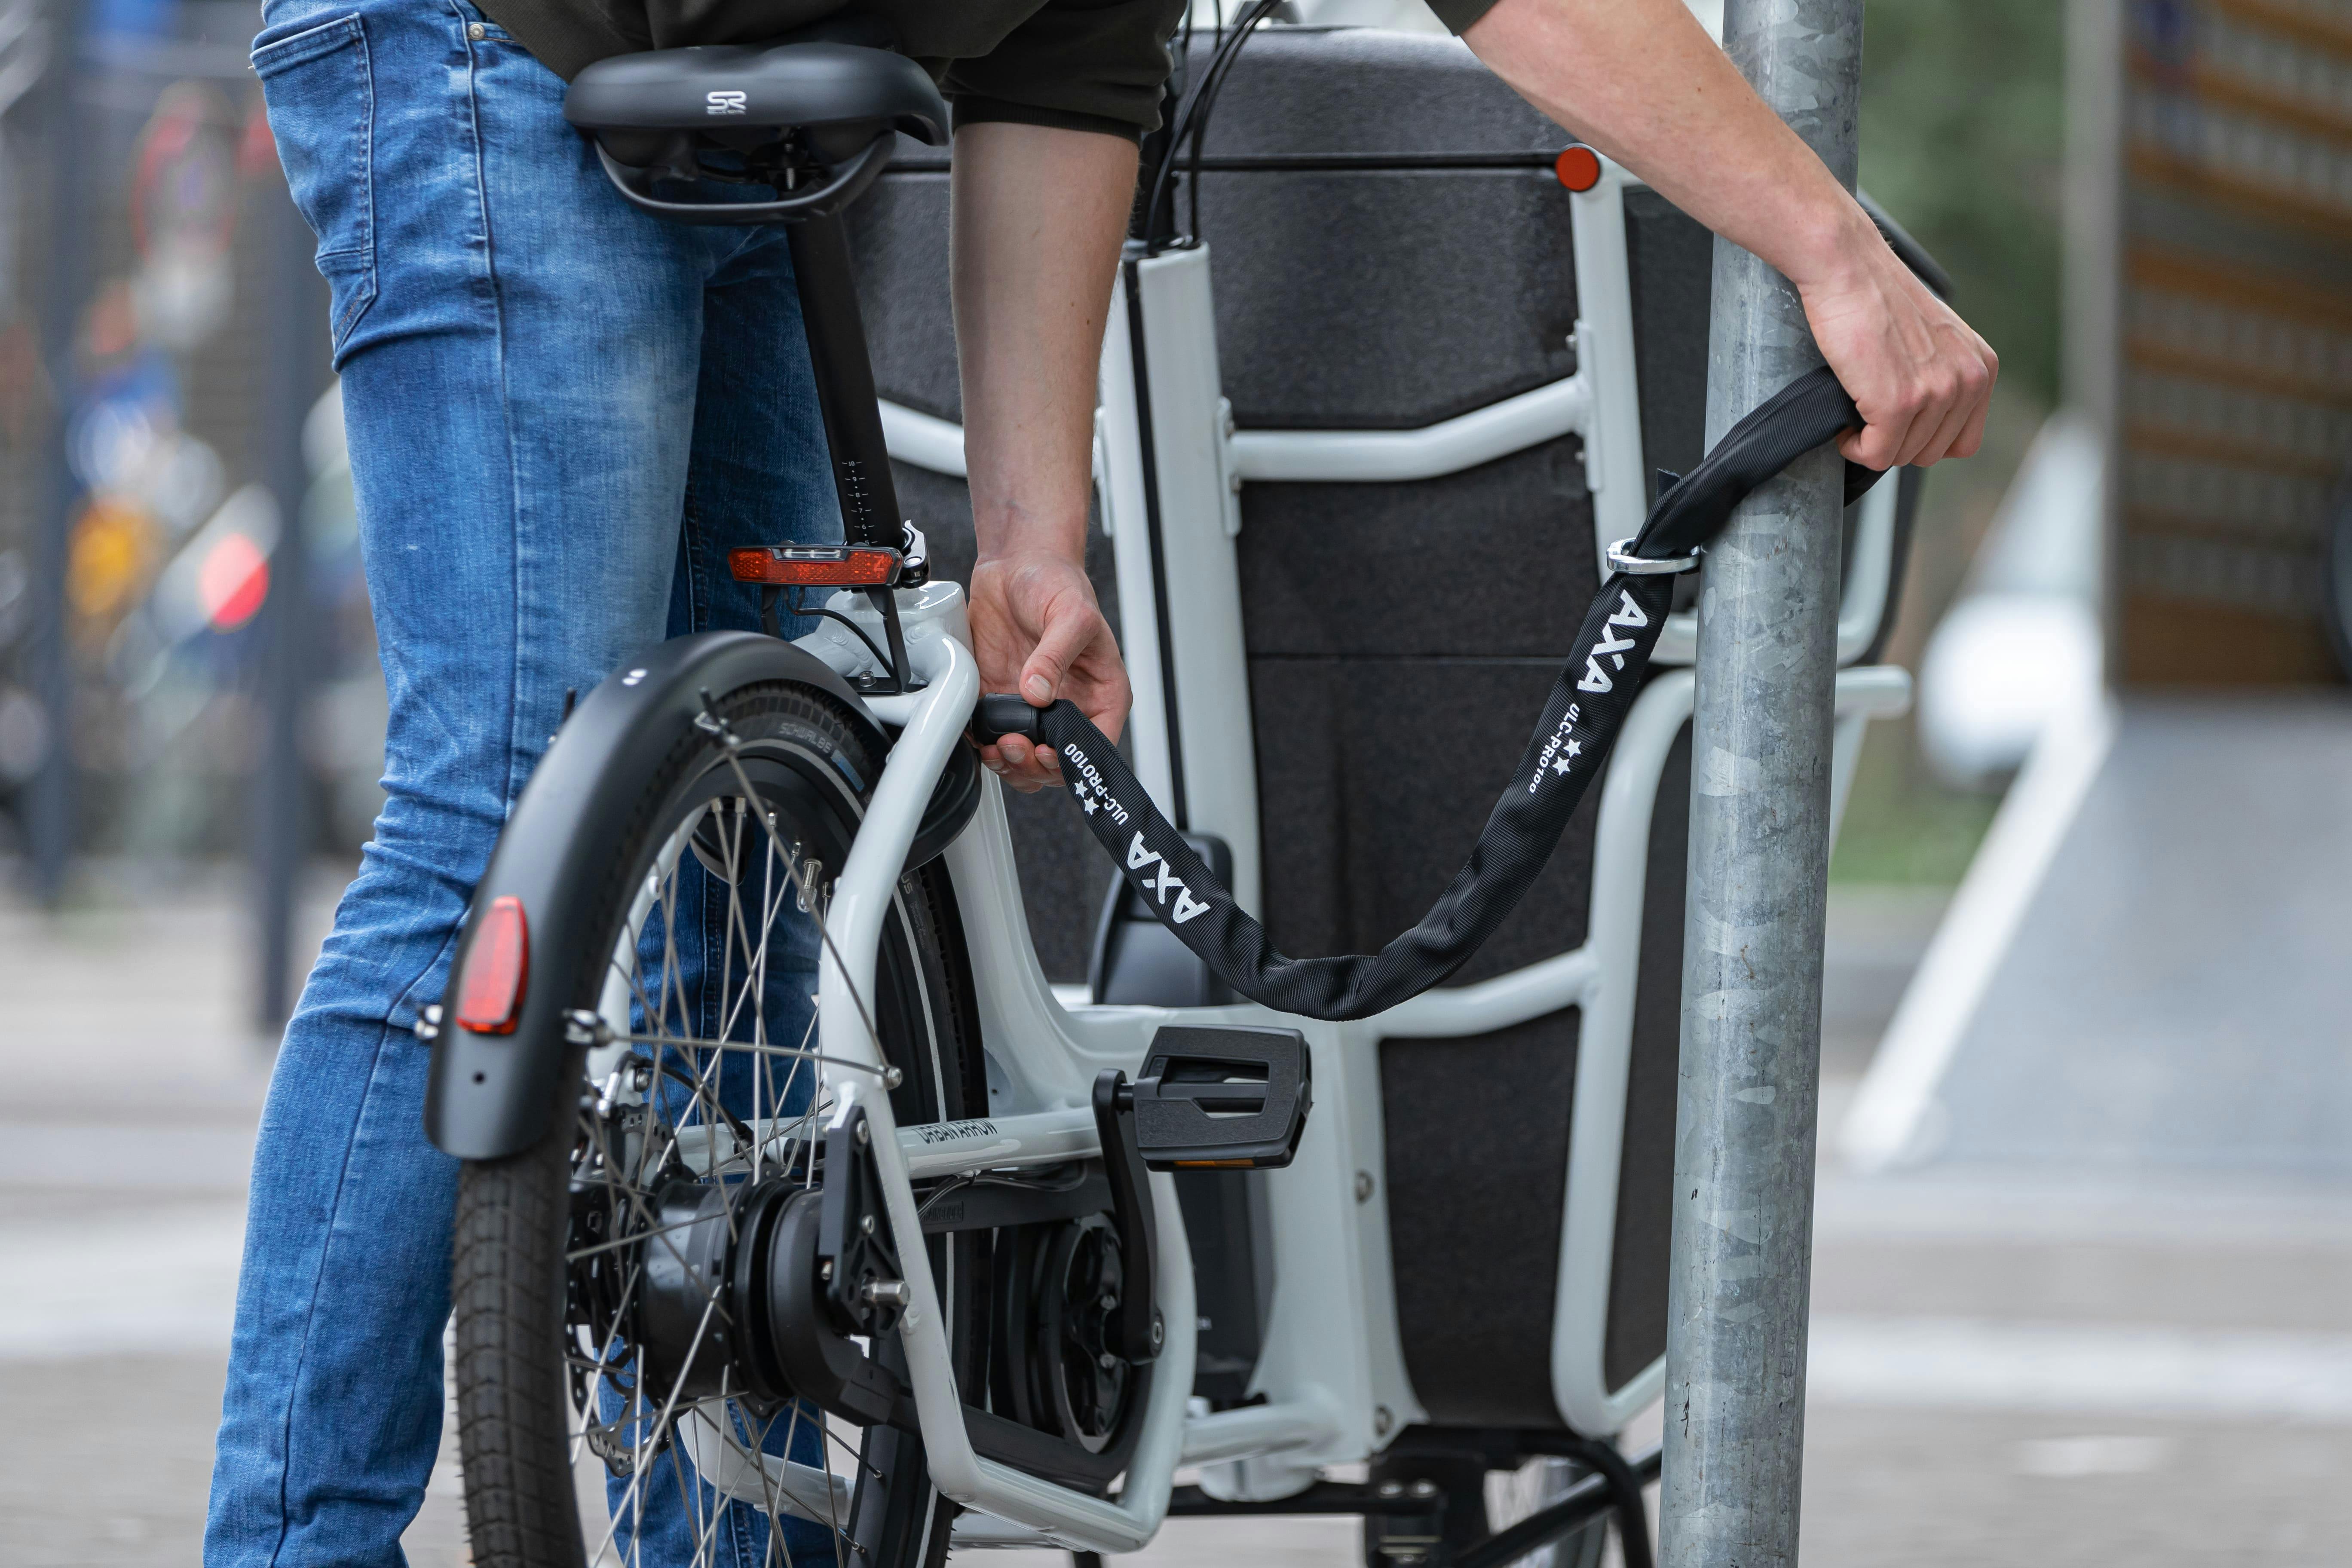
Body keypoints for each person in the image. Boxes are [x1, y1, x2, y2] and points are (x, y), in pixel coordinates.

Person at [208, 0, 1994, 1562]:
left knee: (760, 859)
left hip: (730, 101)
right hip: (486, 51)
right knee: (504, 816)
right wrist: (1836, 254)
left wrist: (1034, 547)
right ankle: (290, 1546)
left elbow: (1060, 75)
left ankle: (734, 1543)